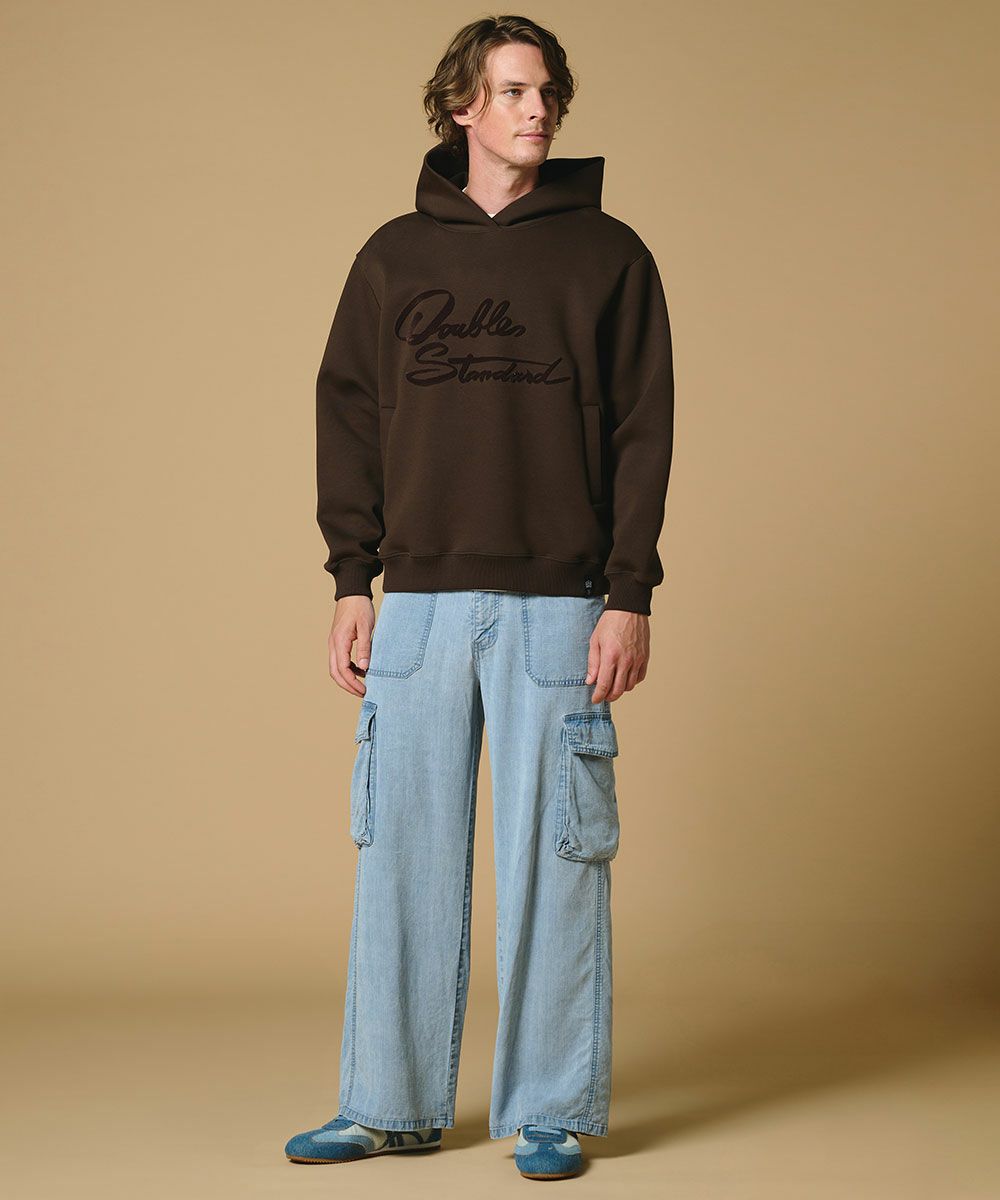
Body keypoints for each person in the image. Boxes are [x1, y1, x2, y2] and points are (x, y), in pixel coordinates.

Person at [285, 14, 674, 1181]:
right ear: (462, 106)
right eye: (511, 90)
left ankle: (550, 1109)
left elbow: (644, 432)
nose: (535, 109)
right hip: (417, 606)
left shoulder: (608, 256)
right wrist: (351, 578)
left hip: (561, 604)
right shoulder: (394, 257)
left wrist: (629, 592)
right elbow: (349, 415)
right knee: (400, 857)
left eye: (545, 91)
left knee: (558, 860)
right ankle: (387, 1103)